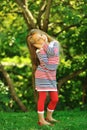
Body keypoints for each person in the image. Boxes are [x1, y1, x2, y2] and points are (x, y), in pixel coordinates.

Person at [27, 29, 60, 126]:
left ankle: (49, 116)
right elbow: (47, 64)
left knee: (55, 99)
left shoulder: (54, 43)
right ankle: (41, 120)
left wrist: (43, 44)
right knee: (42, 97)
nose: (41, 38)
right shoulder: (39, 51)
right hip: (42, 75)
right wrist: (41, 47)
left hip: (51, 76)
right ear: (36, 44)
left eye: (41, 35)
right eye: (38, 39)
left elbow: (52, 53)